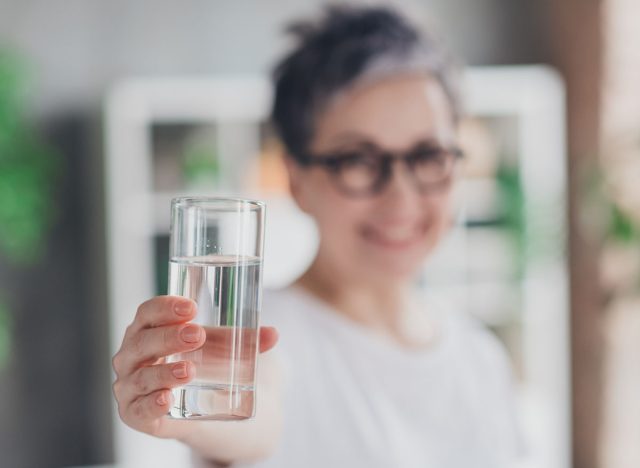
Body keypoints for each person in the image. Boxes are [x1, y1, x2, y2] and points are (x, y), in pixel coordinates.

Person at [112, 5, 522, 467]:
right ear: (296, 180)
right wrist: (198, 415)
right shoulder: (263, 339)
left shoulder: (480, 356)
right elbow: (252, 409)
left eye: (427, 156)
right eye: (358, 161)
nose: (401, 199)